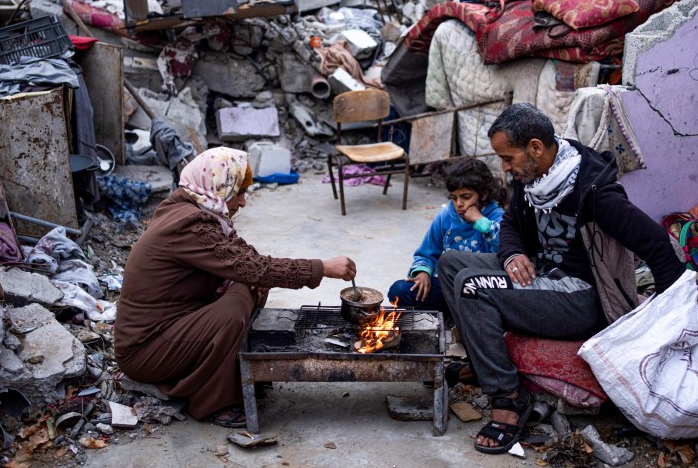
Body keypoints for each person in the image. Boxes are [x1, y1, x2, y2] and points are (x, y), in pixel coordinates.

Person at [437, 103, 683, 454]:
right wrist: (512, 254)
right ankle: (482, 363)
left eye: (508, 158)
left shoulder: (595, 193)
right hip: (540, 275)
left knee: (473, 287)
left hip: (580, 299)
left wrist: (669, 323)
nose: (504, 168)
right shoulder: (531, 179)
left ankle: (508, 399)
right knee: (449, 263)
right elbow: (510, 225)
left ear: (535, 148)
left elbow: (658, 246)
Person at [114, 147, 356, 427]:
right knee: (235, 308)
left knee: (250, 286)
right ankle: (212, 402)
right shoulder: (188, 224)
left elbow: (249, 261)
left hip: (172, 328)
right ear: (216, 187)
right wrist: (322, 268)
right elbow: (256, 268)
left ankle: (233, 370)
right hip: (145, 350)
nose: (242, 202)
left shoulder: (194, 210)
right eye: (236, 193)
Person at [388, 158, 506, 318]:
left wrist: (482, 223)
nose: (459, 204)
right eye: (454, 197)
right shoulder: (446, 216)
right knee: (399, 291)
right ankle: (454, 315)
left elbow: (504, 254)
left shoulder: (496, 216)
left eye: (466, 197)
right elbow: (426, 253)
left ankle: (460, 318)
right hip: (447, 289)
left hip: (481, 291)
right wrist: (423, 272)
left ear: (483, 194)